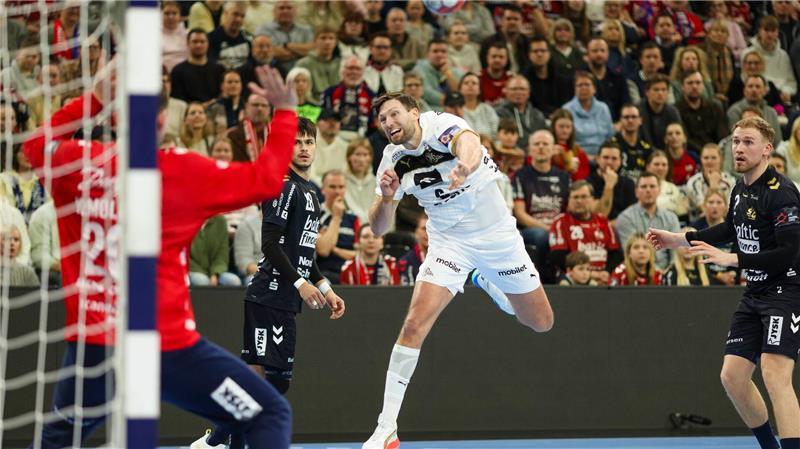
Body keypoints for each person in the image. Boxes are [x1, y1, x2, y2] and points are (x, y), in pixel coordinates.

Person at [25, 64, 305, 449]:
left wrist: (91, 100)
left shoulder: (80, 164)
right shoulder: (184, 170)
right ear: (162, 118)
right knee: (267, 413)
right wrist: (286, 113)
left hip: (95, 345)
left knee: (56, 440)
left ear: (116, 114)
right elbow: (267, 180)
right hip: (167, 347)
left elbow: (33, 147)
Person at [363, 92, 554, 449]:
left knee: (540, 322)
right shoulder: (393, 160)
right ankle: (386, 428)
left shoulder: (441, 126)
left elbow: (469, 142)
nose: (389, 123)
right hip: (449, 242)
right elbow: (377, 227)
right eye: (382, 120)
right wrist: (387, 198)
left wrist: (465, 166)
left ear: (415, 114)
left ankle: (487, 282)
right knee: (413, 324)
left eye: (394, 115)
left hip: (497, 237)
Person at [647, 116, 800, 449]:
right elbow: (730, 229)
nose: (739, 148)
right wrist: (680, 239)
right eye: (735, 141)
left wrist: (734, 259)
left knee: (775, 374)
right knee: (732, 377)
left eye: (748, 142)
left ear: (767, 149)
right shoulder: (739, 188)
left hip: (787, 290)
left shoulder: (783, 193)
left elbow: (789, 253)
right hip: (756, 291)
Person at [548, 181, 621, 285]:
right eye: (575, 197)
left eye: (583, 197)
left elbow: (615, 253)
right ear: (569, 200)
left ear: (592, 199)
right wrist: (588, 274)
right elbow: (557, 257)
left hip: (603, 278)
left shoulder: (603, 221)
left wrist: (607, 272)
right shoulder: (560, 222)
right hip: (574, 281)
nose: (579, 201)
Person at [616, 172, 679, 270]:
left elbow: (675, 254)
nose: (648, 190)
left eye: (652, 186)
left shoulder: (671, 218)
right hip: (638, 272)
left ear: (659, 191)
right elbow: (631, 254)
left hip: (668, 274)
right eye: (644, 186)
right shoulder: (625, 218)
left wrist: (669, 274)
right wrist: (657, 274)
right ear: (636, 192)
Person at [316, 170, 360, 282]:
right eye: (332, 187)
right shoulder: (314, 215)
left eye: (341, 187)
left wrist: (334, 249)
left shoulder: (353, 218)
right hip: (324, 274)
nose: (337, 191)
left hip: (351, 273)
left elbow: (361, 255)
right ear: (323, 189)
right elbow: (324, 250)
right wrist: (336, 217)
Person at [562, 71, 614, 157]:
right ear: (575, 90)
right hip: (577, 157)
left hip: (602, 157)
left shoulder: (603, 108)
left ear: (594, 89)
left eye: (587, 84)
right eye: (580, 85)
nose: (583, 88)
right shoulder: (567, 109)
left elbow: (609, 136)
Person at [170, 29, 225, 104]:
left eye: (202, 42)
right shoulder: (178, 71)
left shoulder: (219, 70)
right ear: (188, 44)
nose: (199, 45)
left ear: (208, 44)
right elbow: (177, 99)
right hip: (188, 113)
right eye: (195, 41)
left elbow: (223, 94)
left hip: (215, 111)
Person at [587, 142, 636, 222]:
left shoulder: (629, 183)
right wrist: (609, 186)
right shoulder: (587, 183)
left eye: (614, 158)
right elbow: (601, 215)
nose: (609, 162)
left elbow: (631, 216)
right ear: (598, 159)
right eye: (606, 157)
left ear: (620, 161)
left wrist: (611, 225)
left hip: (622, 229)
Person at [609, 103, 653, 180]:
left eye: (634, 117)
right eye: (626, 117)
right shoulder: (611, 145)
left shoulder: (646, 148)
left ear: (640, 120)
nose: (630, 120)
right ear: (621, 120)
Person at [397, 214, 428, 286]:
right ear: (416, 232)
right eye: (424, 229)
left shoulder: (446, 259)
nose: (428, 233)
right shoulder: (406, 261)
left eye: (431, 229)